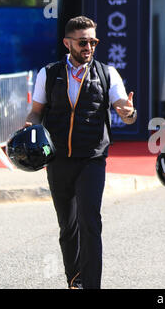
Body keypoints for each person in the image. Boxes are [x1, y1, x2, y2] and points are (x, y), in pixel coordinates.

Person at [24, 16, 137, 289]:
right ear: (67, 43)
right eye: (83, 41)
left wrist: (129, 113)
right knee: (68, 227)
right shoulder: (48, 74)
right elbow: (36, 112)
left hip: (92, 159)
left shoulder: (107, 73)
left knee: (90, 222)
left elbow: (127, 110)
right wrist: (31, 129)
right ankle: (74, 280)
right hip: (58, 159)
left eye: (93, 41)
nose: (89, 46)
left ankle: (91, 284)